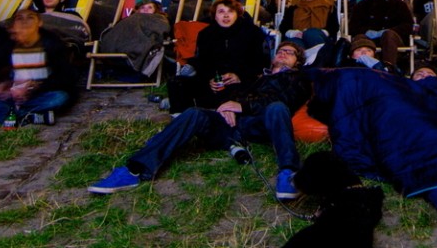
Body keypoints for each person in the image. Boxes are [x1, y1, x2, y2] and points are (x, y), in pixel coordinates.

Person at [88, 40, 312, 201]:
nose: (283, 53)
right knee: (194, 113)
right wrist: (227, 106)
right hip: (233, 126)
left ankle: (289, 172)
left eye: (290, 52)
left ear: (297, 62)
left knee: (277, 107)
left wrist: (242, 106)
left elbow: (286, 100)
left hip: (261, 125)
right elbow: (236, 97)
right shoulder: (257, 78)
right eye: (281, 50)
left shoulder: (299, 78)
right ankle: (135, 170)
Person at [0, 9, 76, 125]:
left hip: (38, 94)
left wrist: (32, 88)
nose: (25, 21)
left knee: (60, 98)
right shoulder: (4, 45)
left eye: (30, 17)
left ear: (40, 23)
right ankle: (28, 117)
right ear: (13, 25)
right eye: (20, 18)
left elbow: (65, 78)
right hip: (9, 96)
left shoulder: (53, 43)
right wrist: (0, 86)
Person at [167, 0, 269, 113]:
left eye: (230, 11)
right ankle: (182, 118)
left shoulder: (252, 32)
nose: (226, 15)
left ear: (237, 14)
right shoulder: (206, 34)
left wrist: (239, 76)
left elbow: (260, 62)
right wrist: (209, 79)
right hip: (214, 80)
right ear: (215, 15)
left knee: (236, 90)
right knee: (177, 82)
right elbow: (201, 63)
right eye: (221, 12)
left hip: (242, 81)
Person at [347, 0, 413, 69]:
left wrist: (389, 31)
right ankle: (361, 68)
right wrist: (369, 32)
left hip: (392, 40)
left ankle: (388, 68)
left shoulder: (399, 4)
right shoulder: (362, 5)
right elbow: (353, 27)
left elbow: (408, 25)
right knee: (360, 36)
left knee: (388, 34)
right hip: (368, 39)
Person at [278, 0, 338, 66]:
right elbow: (284, 27)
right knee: (293, 46)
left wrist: (322, 32)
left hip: (319, 36)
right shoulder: (294, 8)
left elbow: (334, 27)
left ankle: (320, 66)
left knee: (311, 33)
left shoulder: (329, 8)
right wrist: (294, 33)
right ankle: (292, 72)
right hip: (297, 36)